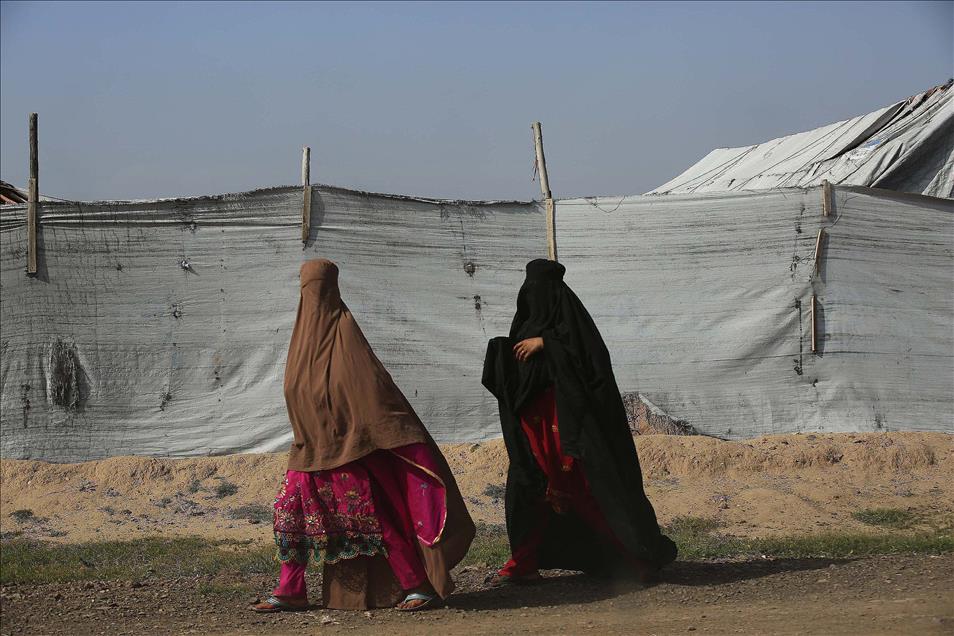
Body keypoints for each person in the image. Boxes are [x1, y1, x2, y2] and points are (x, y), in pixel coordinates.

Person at [253, 259, 475, 613]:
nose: (314, 298)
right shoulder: (300, 345)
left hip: (352, 452)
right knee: (289, 518)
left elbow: (374, 394)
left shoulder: (348, 341)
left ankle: (417, 586)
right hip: (309, 452)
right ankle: (290, 589)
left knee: (374, 523)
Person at [482, 258, 677, 584]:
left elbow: (592, 364)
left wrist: (547, 344)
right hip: (535, 432)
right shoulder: (525, 325)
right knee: (531, 491)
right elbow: (516, 383)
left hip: (572, 431)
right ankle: (524, 563)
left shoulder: (574, 327)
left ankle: (636, 559)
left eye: (540, 288)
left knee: (590, 491)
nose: (534, 295)